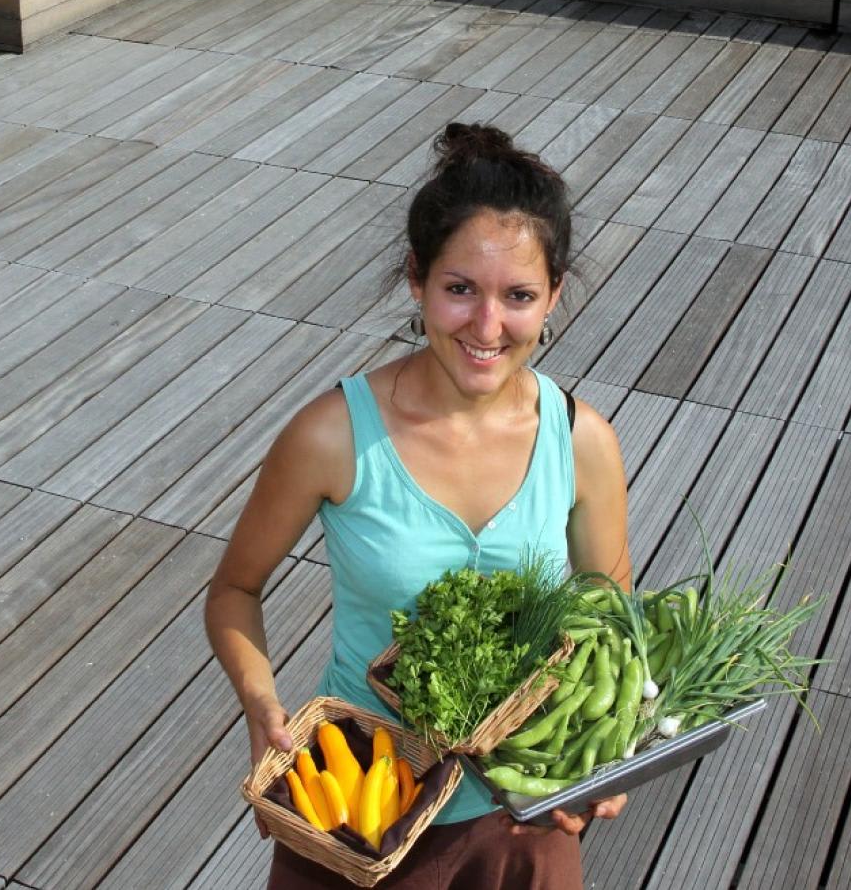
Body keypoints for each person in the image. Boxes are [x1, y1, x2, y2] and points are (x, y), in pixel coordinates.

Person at [207, 123, 636, 890]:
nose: (486, 326)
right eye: (460, 289)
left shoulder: (582, 443)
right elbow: (233, 590)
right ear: (416, 279)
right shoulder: (331, 435)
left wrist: (600, 749)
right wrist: (260, 703)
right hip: (360, 799)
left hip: (520, 810)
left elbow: (610, 617)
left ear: (555, 296)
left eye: (519, 296)